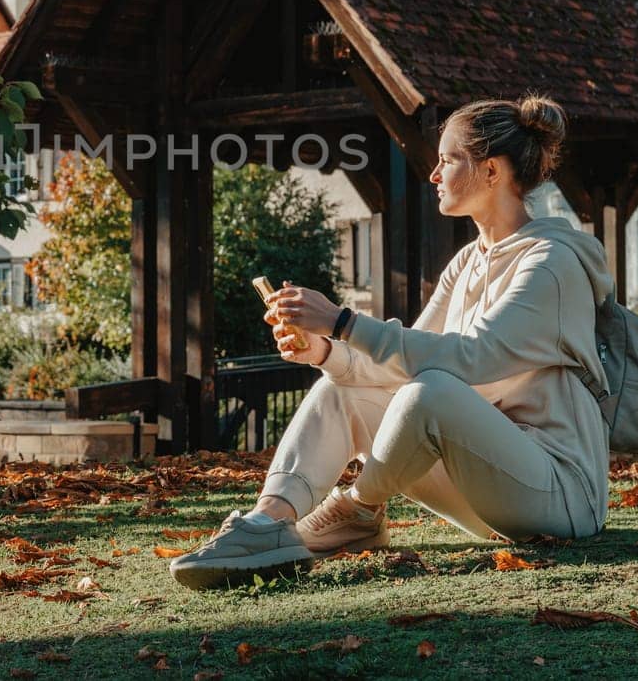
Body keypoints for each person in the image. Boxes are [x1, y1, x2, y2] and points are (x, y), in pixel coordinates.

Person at [169, 96, 614, 591]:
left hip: (560, 497)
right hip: (487, 493)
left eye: (448, 159)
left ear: (491, 171)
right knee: (343, 390)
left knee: (433, 393)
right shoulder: (469, 261)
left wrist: (341, 320)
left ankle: (358, 509)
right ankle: (267, 524)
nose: (434, 173)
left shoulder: (551, 263)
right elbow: (408, 362)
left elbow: (470, 359)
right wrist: (324, 351)